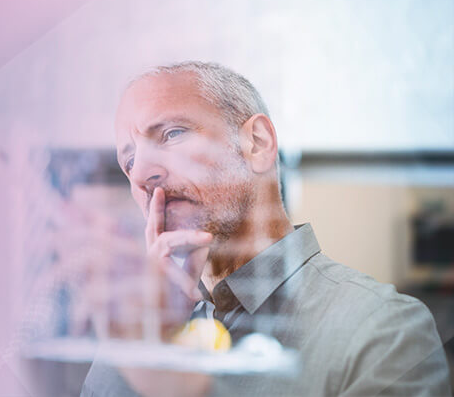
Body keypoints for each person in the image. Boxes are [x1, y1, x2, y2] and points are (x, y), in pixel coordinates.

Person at [80, 61, 451, 396]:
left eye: (172, 134)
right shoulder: (137, 333)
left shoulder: (382, 331)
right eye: (129, 161)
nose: (143, 174)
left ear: (257, 143)